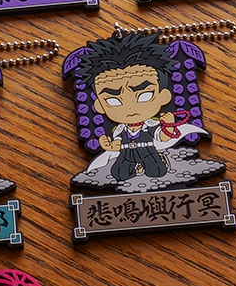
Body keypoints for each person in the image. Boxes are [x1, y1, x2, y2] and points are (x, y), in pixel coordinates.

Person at [71, 33, 206, 185]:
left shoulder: (152, 124)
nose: (129, 107)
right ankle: (136, 168)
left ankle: (159, 161)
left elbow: (164, 138)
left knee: (157, 172)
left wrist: (168, 125)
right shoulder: (119, 129)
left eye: (144, 95)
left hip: (148, 151)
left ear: (163, 96)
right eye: (113, 100)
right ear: (100, 106)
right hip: (126, 154)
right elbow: (117, 144)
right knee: (118, 174)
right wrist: (109, 146)